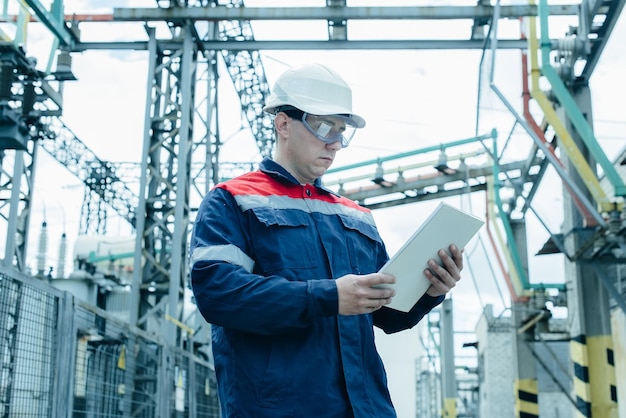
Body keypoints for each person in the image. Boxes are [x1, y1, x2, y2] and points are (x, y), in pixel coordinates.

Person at [189, 63, 464, 418]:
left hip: (368, 409)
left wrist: (429, 291)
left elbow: (387, 317)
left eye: (341, 131)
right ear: (283, 123)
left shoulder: (355, 216)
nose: (334, 144)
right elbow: (219, 295)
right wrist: (328, 297)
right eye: (322, 127)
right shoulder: (232, 200)